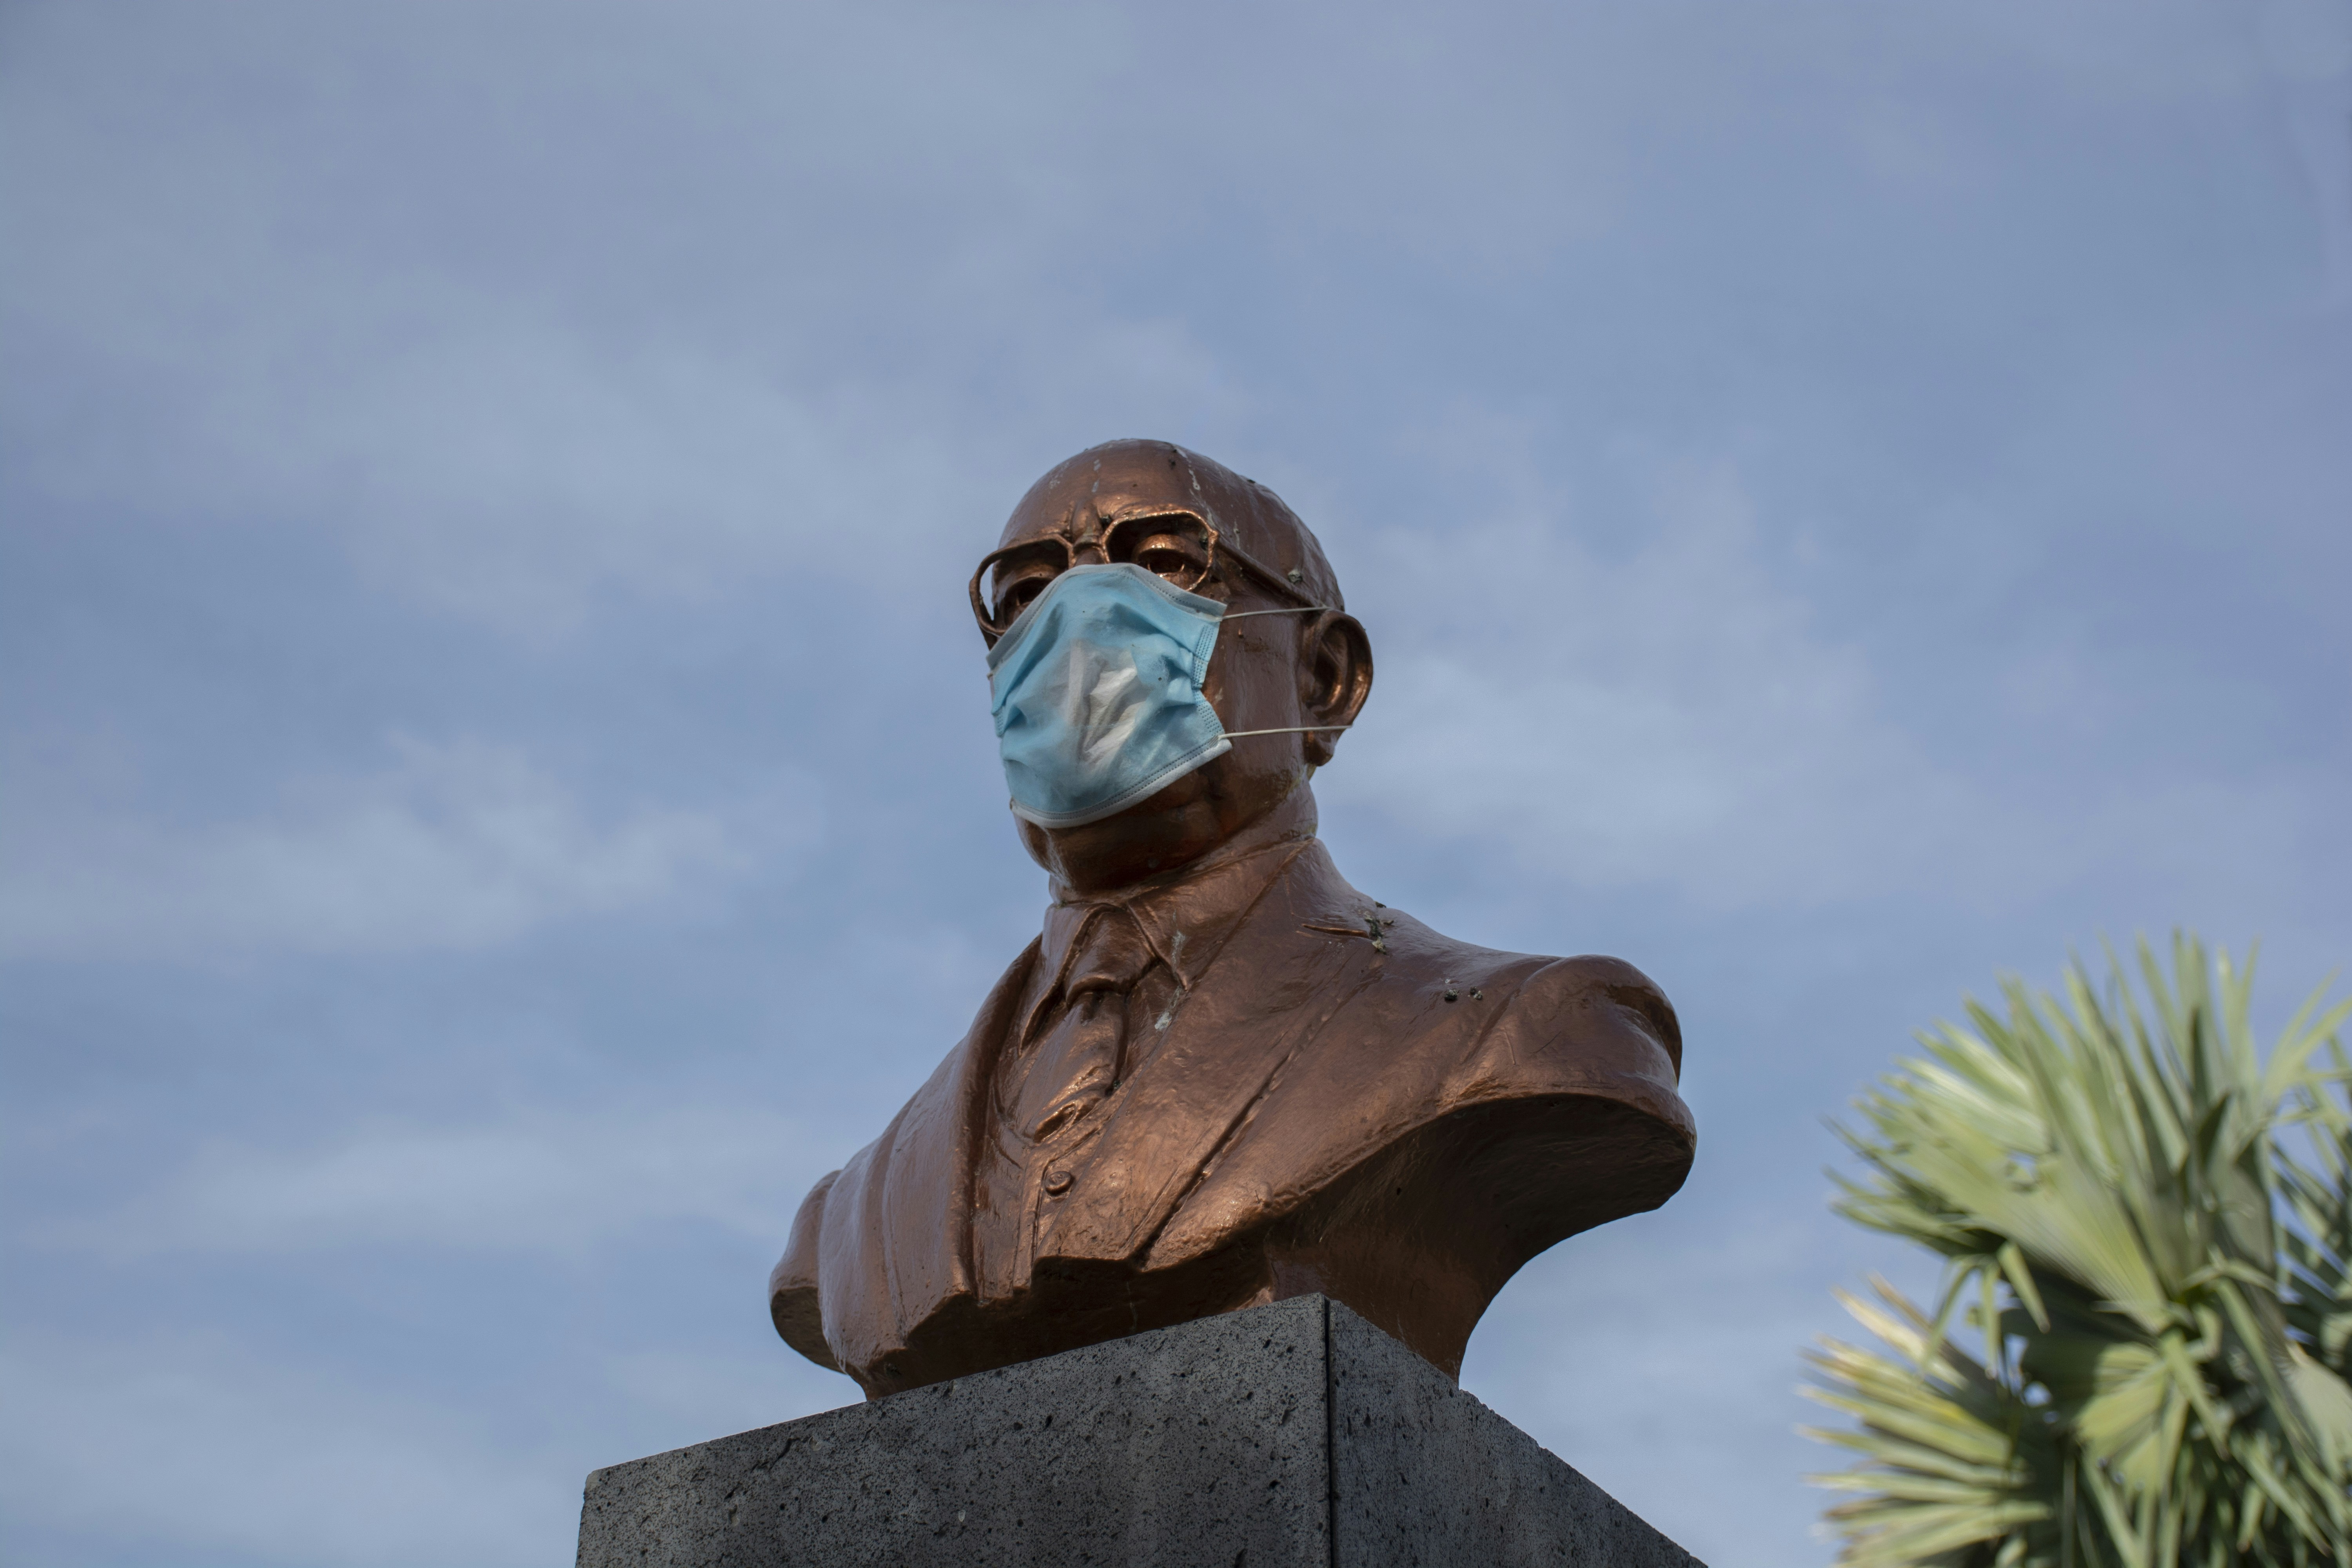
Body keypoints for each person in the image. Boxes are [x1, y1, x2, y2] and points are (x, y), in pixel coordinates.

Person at [771, 439, 1694, 1399]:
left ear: (1324, 678)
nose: (1077, 624)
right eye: (1025, 592)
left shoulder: (1522, 1029)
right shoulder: (846, 1221)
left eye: (1165, 559)